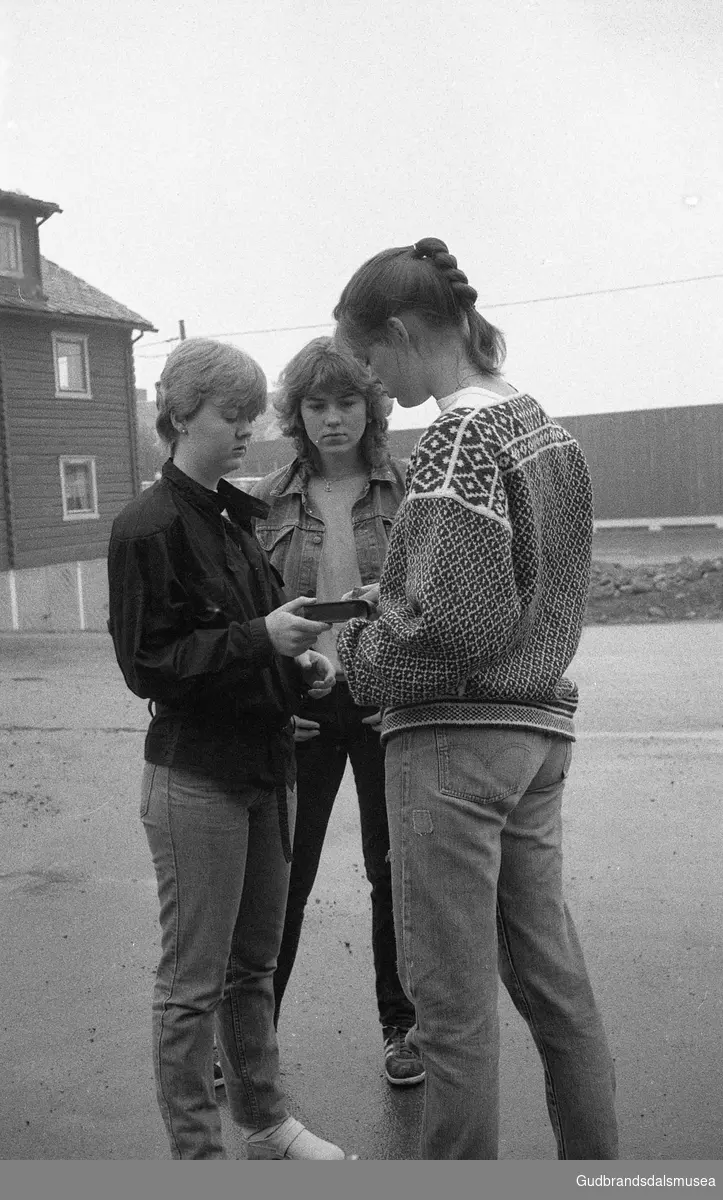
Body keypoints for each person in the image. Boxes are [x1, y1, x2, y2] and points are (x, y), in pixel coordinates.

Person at [333, 238, 619, 1160]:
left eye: (369, 362)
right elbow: (514, 589)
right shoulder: (545, 429)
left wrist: (349, 659)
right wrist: (390, 608)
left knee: (449, 1013)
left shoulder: (457, 435)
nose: (371, 386)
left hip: (454, 745)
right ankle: (600, 1174)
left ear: (405, 331)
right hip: (535, 736)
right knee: (554, 988)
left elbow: (451, 623)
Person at [107, 337, 348, 1160]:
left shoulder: (232, 518)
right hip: (195, 780)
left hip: (263, 768)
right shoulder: (147, 527)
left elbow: (250, 645)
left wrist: (298, 665)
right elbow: (149, 667)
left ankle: (267, 1122)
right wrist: (259, 638)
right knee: (189, 988)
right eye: (229, 413)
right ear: (179, 415)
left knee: (253, 966)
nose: (247, 427)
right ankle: (197, 1159)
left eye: (251, 412)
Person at [249, 336, 424, 1086]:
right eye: (315, 405)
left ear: (370, 406)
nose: (332, 419)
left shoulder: (411, 487)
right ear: (295, 413)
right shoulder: (262, 499)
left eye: (346, 402)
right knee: (282, 875)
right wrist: (269, 700)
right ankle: (251, 1043)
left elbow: (429, 602)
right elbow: (249, 613)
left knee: (396, 870)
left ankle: (404, 1031)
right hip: (305, 703)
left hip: (387, 701)